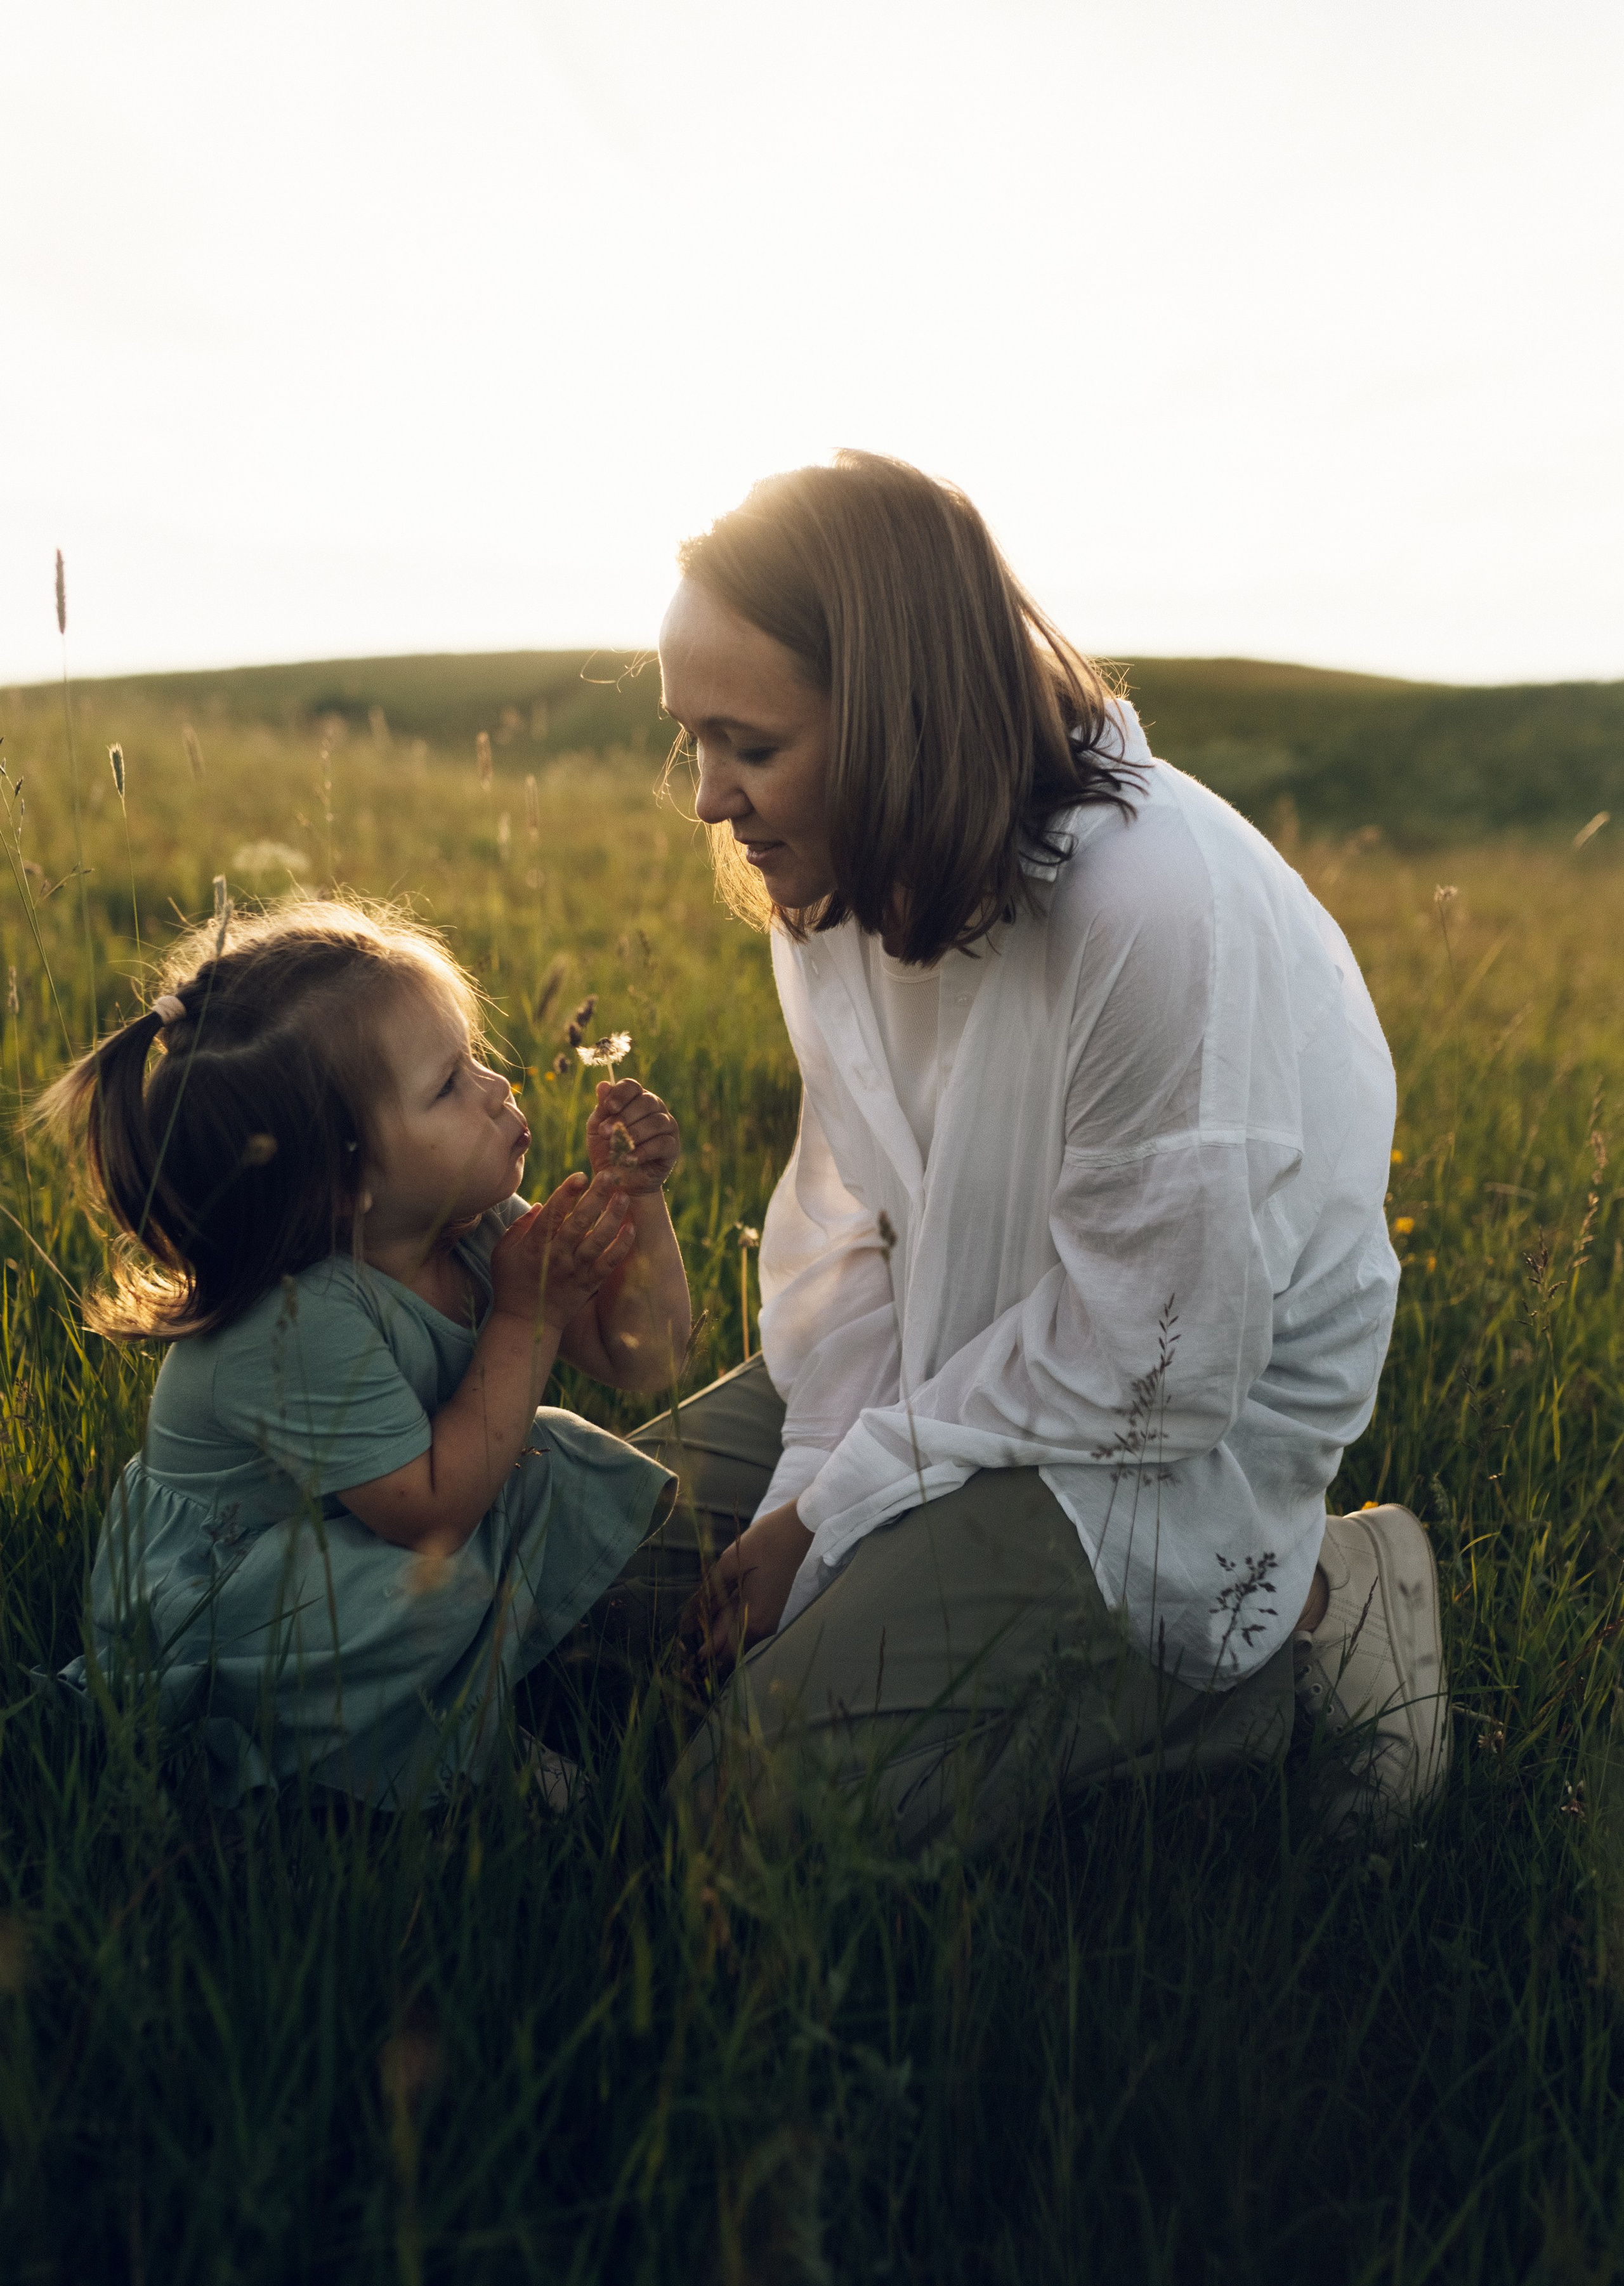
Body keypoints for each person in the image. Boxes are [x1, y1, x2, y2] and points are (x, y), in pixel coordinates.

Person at [634, 450, 1450, 1851]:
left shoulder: (1151, 908)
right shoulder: (829, 883)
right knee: (575, 1576)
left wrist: (832, 1519)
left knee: (750, 1818)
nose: (707, 799)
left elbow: (1156, 1364)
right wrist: (806, 1499)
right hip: (949, 1367)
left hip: (1139, 1447)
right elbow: (853, 1231)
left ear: (893, 714)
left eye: (749, 746)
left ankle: (1279, 1640)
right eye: (689, 739)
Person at [43, 898, 689, 1809]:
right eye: (448, 1086)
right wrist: (528, 1314)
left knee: (547, 1454)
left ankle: (540, 1675)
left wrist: (638, 1198)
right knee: (428, 1580)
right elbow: (429, 1517)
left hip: (352, 1543)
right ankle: (376, 1767)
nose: (499, 1088)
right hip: (234, 1607)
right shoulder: (297, 1321)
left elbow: (643, 1357)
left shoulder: (464, 1223)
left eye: (476, 1059)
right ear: (342, 1183)